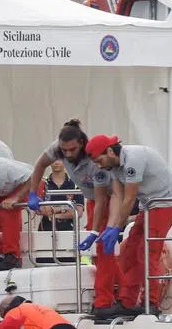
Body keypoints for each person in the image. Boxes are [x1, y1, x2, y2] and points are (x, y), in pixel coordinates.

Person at [86, 135, 172, 318]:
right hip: (149, 204)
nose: (99, 165)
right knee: (130, 251)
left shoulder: (133, 159)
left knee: (147, 252)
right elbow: (118, 197)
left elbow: (129, 199)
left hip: (165, 204)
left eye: (99, 160)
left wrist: (116, 228)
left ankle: (151, 303)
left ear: (109, 151)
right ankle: (127, 302)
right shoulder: (113, 165)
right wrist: (109, 227)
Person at [27, 120, 118, 309]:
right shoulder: (58, 149)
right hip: (95, 200)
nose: (68, 154)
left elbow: (104, 199)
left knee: (105, 250)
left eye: (72, 150)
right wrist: (33, 191)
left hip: (112, 198)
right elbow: (40, 164)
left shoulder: (94, 161)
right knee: (98, 253)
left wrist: (98, 230)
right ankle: (110, 294)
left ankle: (105, 300)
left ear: (82, 144)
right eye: (64, 150)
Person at [37, 160, 83, 233]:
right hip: (45, 230)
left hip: (69, 231)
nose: (56, 163)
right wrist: (66, 207)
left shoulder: (75, 184)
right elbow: (42, 210)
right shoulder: (42, 183)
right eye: (53, 159)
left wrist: (54, 215)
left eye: (59, 159)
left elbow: (78, 213)